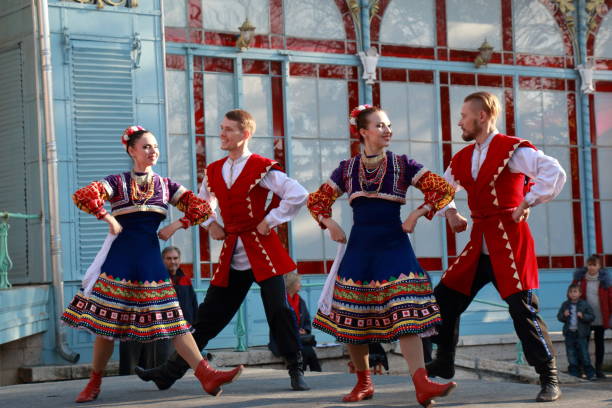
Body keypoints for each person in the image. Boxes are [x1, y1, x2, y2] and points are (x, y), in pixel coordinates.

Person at [61, 126, 242, 403]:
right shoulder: (118, 182)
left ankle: (206, 374)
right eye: (145, 146)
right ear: (132, 151)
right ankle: (94, 382)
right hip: (119, 261)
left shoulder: (166, 186)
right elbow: (84, 195)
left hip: (149, 262)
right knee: (106, 327)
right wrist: (108, 218)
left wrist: (175, 226)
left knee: (175, 321)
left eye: (155, 146)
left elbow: (202, 208)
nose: (152, 151)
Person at [135, 109, 311, 391]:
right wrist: (210, 224)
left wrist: (271, 220)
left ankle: (296, 367)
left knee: (278, 310)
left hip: (263, 251)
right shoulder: (215, 170)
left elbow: (298, 193)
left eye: (229, 129)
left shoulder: (262, 167)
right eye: (221, 128)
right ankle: (168, 373)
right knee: (208, 317)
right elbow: (204, 204)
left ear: (245, 134)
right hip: (233, 252)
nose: (222, 134)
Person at [308, 104, 457, 407]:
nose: (387, 130)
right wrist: (330, 223)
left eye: (388, 125)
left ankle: (421, 383)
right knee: (353, 318)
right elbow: (317, 200)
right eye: (380, 126)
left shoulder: (403, 164)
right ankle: (363, 383)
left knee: (407, 314)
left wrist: (416, 213)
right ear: (363, 132)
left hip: (394, 246)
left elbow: (442, 189)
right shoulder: (347, 169)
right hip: (360, 248)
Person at [425, 91, 567, 402]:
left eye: (464, 115)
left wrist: (527, 201)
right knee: (444, 298)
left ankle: (549, 376)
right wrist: (450, 212)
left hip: (510, 241)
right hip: (479, 243)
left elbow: (553, 172)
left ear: (483, 116)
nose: (460, 121)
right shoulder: (462, 157)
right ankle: (445, 362)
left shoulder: (512, 150)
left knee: (523, 310)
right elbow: (440, 189)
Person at [118, 246, 199, 375]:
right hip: (159, 327)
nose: (173, 261)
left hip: (181, 328)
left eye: (175, 258)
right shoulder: (156, 278)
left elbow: (192, 303)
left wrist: (194, 323)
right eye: (169, 258)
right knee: (157, 359)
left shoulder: (184, 279)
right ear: (162, 260)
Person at [269, 272, 322, 372]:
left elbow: (306, 321)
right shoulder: (281, 301)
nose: (301, 285)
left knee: (309, 351)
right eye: (298, 282)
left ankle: (316, 374)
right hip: (283, 339)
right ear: (291, 284)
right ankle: (301, 374)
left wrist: (305, 330)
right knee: (304, 351)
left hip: (298, 338)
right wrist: (294, 332)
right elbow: (278, 325)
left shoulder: (300, 301)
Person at [572, 254, 611, 378]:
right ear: (586, 265)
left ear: (600, 266)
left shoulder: (605, 281)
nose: (592, 267)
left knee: (599, 343)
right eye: (590, 264)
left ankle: (598, 369)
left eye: (595, 265)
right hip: (585, 318)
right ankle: (584, 368)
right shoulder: (580, 279)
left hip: (600, 317)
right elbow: (571, 293)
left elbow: (610, 298)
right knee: (583, 343)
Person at [557, 284, 596, 379]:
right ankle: (574, 373)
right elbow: (559, 317)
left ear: (580, 293)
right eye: (571, 292)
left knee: (584, 354)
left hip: (581, 334)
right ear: (568, 294)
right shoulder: (565, 304)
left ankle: (590, 373)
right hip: (569, 333)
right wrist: (564, 315)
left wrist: (583, 316)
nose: (573, 294)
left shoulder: (584, 304)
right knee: (571, 354)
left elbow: (592, 316)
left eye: (575, 292)